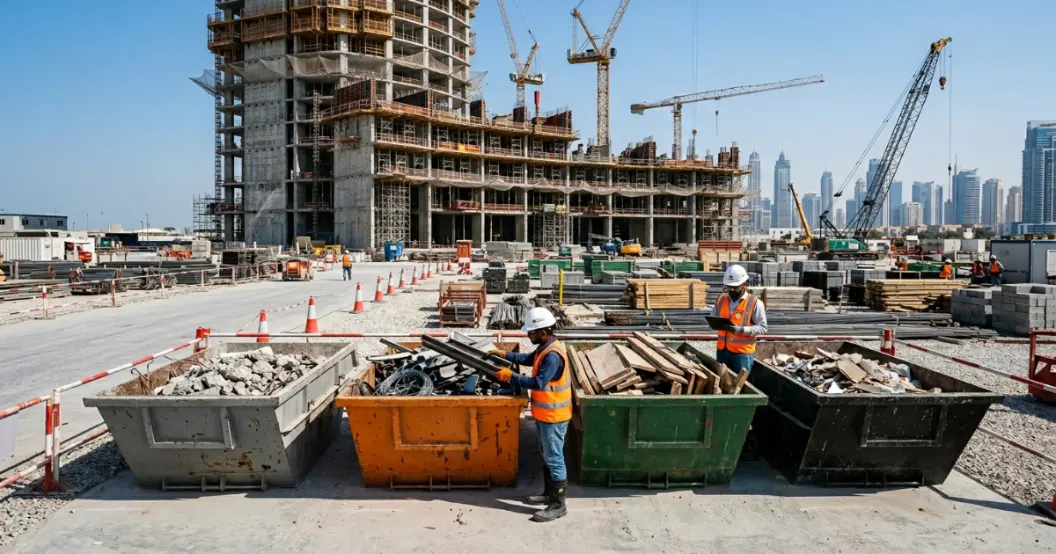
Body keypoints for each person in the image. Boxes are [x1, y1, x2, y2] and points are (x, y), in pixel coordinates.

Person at [490, 307, 570, 523]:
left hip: (554, 416)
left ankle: (558, 504)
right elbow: (527, 358)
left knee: (554, 458)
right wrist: (504, 354)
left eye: (531, 332)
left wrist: (511, 377)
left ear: (542, 331)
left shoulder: (552, 355)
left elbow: (537, 383)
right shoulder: (545, 347)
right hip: (546, 415)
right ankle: (548, 494)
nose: (528, 335)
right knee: (547, 455)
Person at [710, 265, 768, 374]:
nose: (731, 290)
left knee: (740, 387)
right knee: (721, 383)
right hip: (722, 351)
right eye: (728, 287)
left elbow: (763, 328)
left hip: (742, 354)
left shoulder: (755, 303)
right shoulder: (721, 299)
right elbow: (713, 316)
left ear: (745, 284)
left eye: (735, 287)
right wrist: (712, 323)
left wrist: (741, 330)